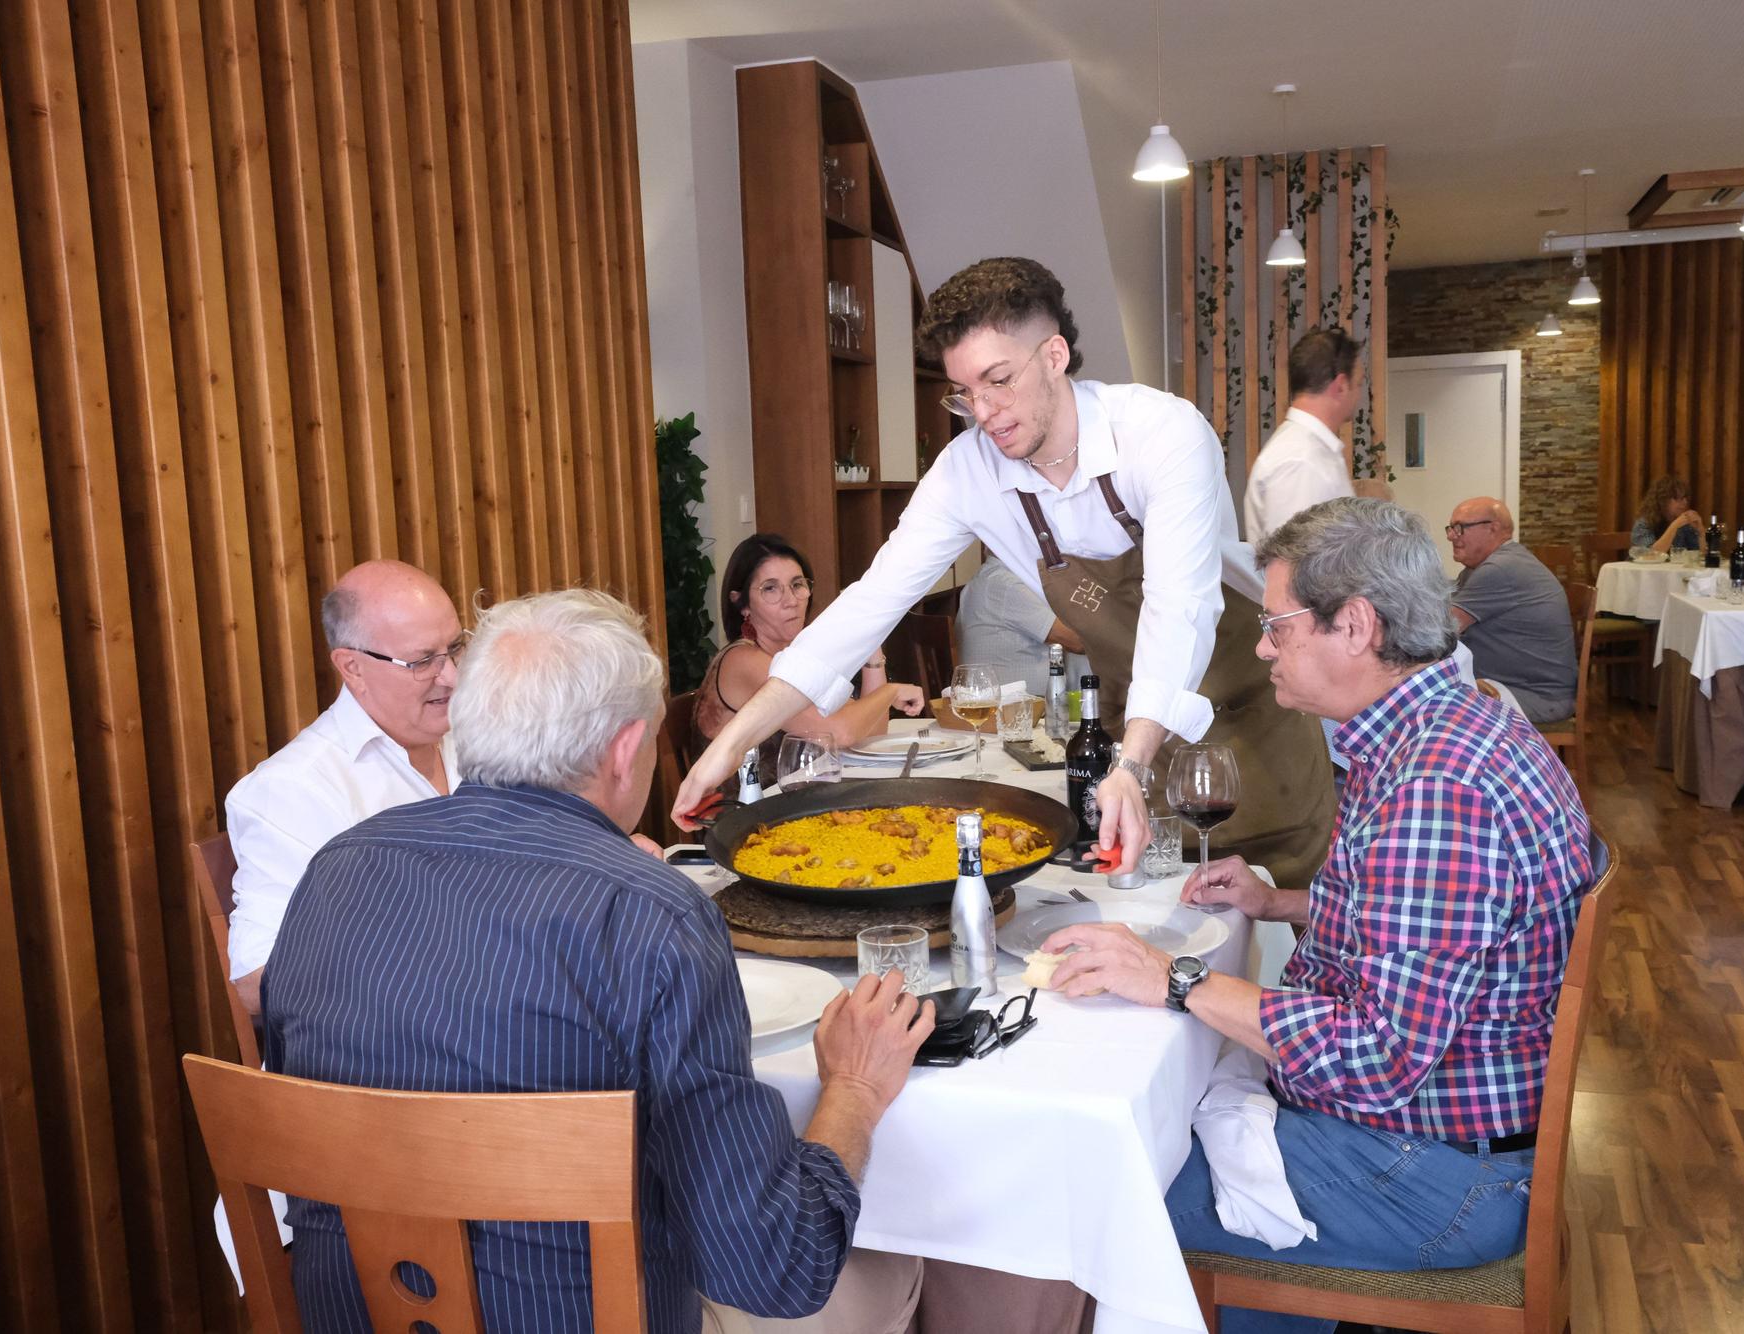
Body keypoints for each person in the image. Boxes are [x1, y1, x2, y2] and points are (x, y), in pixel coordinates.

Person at [261, 588, 937, 1333]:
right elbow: (775, 1267)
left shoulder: (334, 869)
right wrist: (855, 1089)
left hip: (355, 1313)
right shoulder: (652, 915)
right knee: (912, 1258)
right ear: (625, 750)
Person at [1040, 497, 1594, 1334]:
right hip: (1453, 1130)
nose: (1262, 648)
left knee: (1108, 1187)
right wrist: (1279, 902)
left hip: (1443, 1176)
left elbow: (1375, 1058)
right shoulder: (1449, 722)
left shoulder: (1437, 788)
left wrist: (1173, 979)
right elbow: (1443, 926)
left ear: (1357, 626)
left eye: (1279, 627)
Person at [676, 257, 1336, 887]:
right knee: (1176, 930)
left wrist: (1129, 763)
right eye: (963, 393)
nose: (983, 413)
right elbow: (866, 606)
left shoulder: (1162, 433)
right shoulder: (970, 472)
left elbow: (1179, 609)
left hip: (1257, 721)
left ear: (1054, 356)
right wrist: (730, 746)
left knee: (1312, 945)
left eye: (998, 380)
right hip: (1145, 747)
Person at [224, 559, 465, 1015]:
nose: (450, 676)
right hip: (386, 1053)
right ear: (351, 667)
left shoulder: (481, 737)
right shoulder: (292, 789)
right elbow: (256, 982)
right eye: (422, 661)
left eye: (455, 649)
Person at [694, 533, 924, 755]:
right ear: (742, 603)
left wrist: (871, 647)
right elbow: (841, 733)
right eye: (770, 588)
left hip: (798, 790)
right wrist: (890, 691)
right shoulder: (742, 660)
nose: (791, 601)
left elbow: (869, 736)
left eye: (797, 584)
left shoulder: (798, 654)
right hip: (751, 795)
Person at [1241, 327, 1387, 549]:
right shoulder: (1301, 461)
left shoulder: (1309, 452)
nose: (1359, 395)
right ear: (1340, 385)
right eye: (1358, 383)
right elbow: (1297, 567)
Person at [1444, 497, 1578, 724]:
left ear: (1492, 528)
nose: (1451, 536)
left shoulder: (1500, 568)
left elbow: (1441, 632)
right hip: (1515, 686)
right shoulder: (1485, 566)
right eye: (1451, 528)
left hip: (1537, 697)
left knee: (1427, 705)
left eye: (1460, 528)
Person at [953, 552, 1087, 689]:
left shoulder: (987, 577)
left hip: (1011, 700)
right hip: (1015, 705)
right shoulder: (1005, 584)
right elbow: (1076, 642)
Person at [1630, 475, 1701, 553]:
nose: (1685, 502)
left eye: (1685, 498)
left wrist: (1700, 530)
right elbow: (1651, 554)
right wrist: (1675, 526)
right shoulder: (1643, 524)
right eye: (1677, 498)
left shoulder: (1685, 524)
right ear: (1662, 500)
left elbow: (1700, 554)